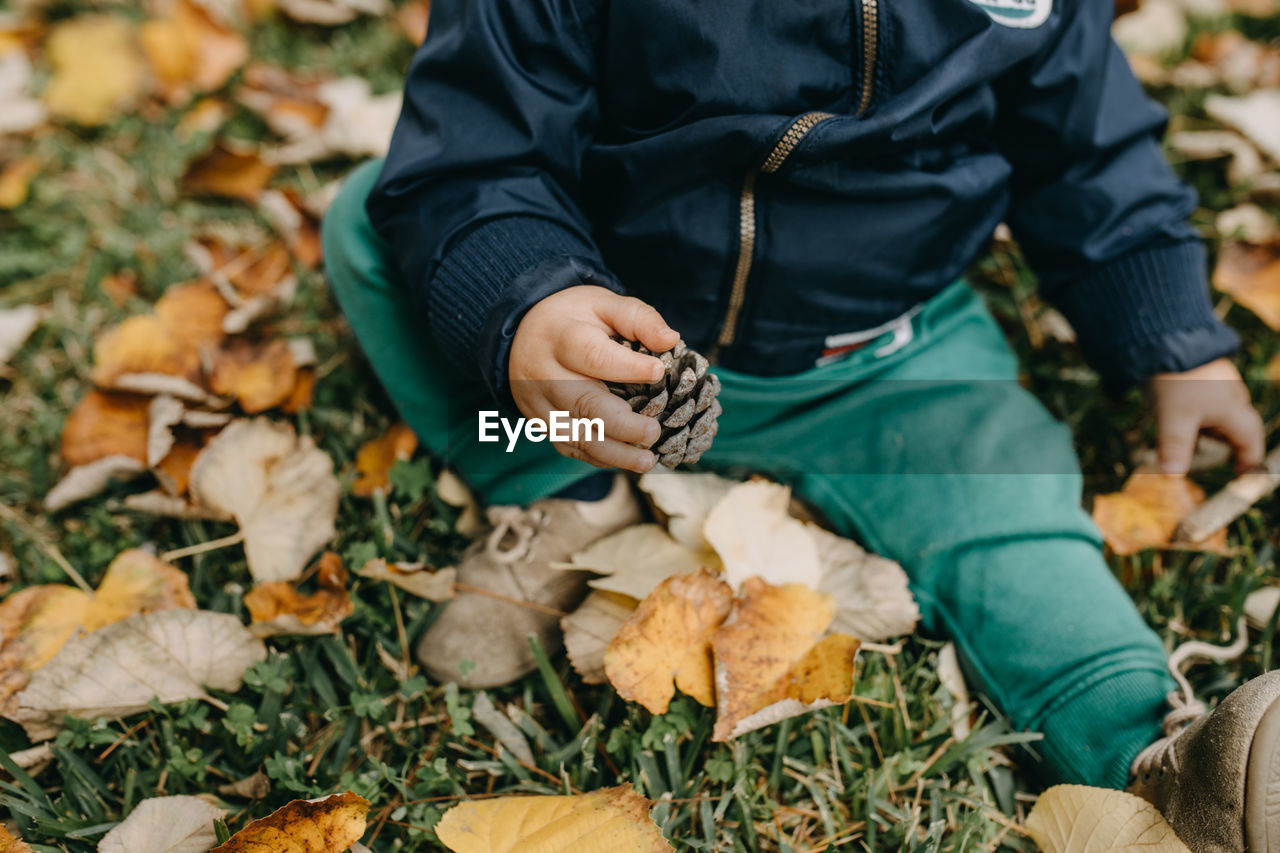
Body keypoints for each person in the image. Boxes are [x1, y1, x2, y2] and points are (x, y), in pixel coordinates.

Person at [322, 0, 1277, 848]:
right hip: (617, 355)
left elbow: (1089, 150)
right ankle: (557, 489)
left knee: (1013, 520)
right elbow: (477, 152)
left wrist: (1172, 334)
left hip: (891, 364)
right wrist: (530, 299)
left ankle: (1163, 762)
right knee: (371, 225)